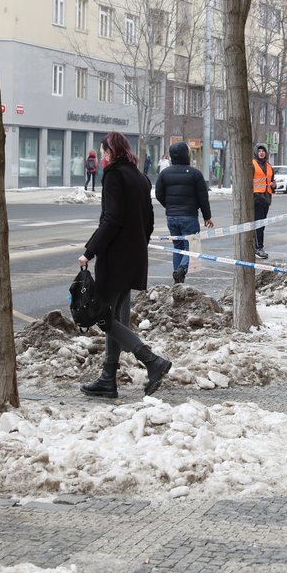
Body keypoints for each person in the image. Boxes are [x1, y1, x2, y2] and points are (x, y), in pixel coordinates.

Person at [78, 131, 172, 399]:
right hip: (135, 257)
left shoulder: (114, 175)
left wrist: (90, 251)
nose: (104, 155)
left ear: (111, 152)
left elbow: (111, 218)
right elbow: (150, 221)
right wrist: (137, 244)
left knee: (102, 316)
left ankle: (152, 360)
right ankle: (108, 378)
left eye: (105, 151)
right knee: (115, 317)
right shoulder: (140, 177)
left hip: (116, 259)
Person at [155, 141, 214, 284]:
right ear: (186, 155)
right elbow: (203, 198)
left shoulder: (164, 173)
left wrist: (169, 206)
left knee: (178, 247)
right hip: (189, 217)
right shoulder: (195, 174)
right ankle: (181, 269)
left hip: (172, 217)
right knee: (191, 247)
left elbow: (158, 194)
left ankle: (178, 279)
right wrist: (207, 216)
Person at [252, 144, 275, 259]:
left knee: (262, 225)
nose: (261, 153)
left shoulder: (269, 166)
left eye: (263, 151)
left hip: (266, 198)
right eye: (259, 151)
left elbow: (272, 181)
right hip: (256, 198)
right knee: (259, 224)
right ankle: (258, 248)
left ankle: (257, 246)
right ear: (256, 152)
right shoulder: (252, 164)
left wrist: (273, 185)